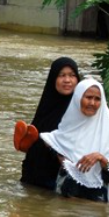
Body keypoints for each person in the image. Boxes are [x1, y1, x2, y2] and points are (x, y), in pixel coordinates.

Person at [40, 78, 109, 202]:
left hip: (96, 200)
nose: (92, 103)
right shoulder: (66, 127)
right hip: (66, 198)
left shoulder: (108, 129)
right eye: (88, 97)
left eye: (97, 99)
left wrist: (100, 157)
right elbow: (51, 140)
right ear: (77, 98)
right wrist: (60, 156)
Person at [20, 57, 80, 189]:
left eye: (72, 75)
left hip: (63, 185)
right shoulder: (46, 107)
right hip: (33, 181)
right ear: (53, 79)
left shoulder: (82, 111)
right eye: (61, 75)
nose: (67, 80)